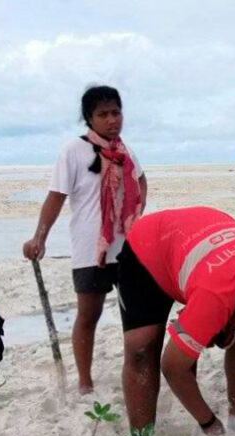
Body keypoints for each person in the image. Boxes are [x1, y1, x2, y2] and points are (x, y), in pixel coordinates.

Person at [117, 206, 235, 435]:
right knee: (142, 347)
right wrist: (208, 422)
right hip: (149, 248)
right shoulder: (215, 296)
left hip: (201, 238)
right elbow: (172, 366)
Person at [22, 85, 147, 395]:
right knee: (89, 314)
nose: (111, 120)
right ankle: (84, 381)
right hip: (90, 249)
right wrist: (39, 237)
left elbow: (141, 181)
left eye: (116, 112)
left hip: (126, 248)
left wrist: (136, 215)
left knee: (134, 316)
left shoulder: (126, 151)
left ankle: (134, 371)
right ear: (89, 119)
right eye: (103, 114)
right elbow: (56, 197)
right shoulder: (73, 151)